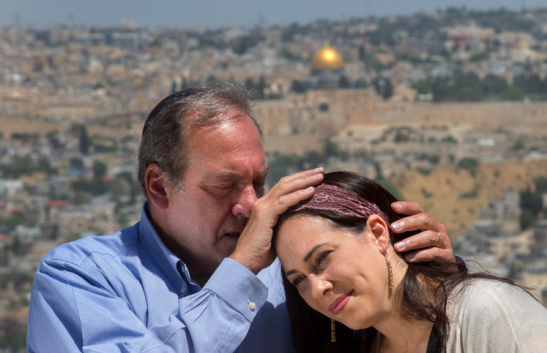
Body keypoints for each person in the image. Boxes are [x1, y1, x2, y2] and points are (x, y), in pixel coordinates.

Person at [27, 82, 456, 352]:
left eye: (259, 182)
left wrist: (429, 280)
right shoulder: (81, 277)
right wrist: (240, 274)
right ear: (159, 186)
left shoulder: (294, 271)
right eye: (223, 186)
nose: (252, 205)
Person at [273, 171, 547, 353]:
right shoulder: (361, 347)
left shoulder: (487, 312)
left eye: (322, 258)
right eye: (298, 279)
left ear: (377, 233)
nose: (316, 289)